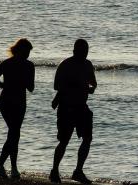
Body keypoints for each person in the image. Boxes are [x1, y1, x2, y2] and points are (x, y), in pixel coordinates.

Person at [50, 39, 97, 184]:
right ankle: (54, 170)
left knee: (87, 138)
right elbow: (56, 86)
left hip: (82, 107)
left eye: (86, 51)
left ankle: (78, 171)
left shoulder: (88, 64)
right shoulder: (66, 64)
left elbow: (93, 83)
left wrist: (91, 88)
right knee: (64, 141)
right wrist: (74, 86)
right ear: (74, 51)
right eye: (82, 51)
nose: (84, 54)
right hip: (66, 107)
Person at [0, 38, 35, 179]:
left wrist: (16, 82)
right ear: (19, 50)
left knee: (14, 133)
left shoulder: (28, 65)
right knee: (14, 133)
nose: (28, 54)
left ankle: (9, 167)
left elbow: (31, 88)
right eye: (26, 51)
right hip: (8, 101)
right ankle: (5, 166)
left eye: (29, 52)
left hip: (19, 101)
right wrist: (7, 86)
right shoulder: (8, 63)